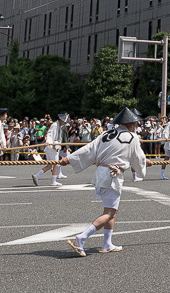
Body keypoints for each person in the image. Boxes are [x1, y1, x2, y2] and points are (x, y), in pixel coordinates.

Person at [62, 108, 151, 256]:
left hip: (102, 173)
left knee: (111, 211)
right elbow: (138, 157)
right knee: (109, 213)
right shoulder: (132, 137)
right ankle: (82, 237)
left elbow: (89, 149)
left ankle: (107, 244)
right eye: (134, 123)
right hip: (112, 176)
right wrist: (144, 163)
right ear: (129, 124)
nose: (136, 126)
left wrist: (69, 159)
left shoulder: (106, 134)